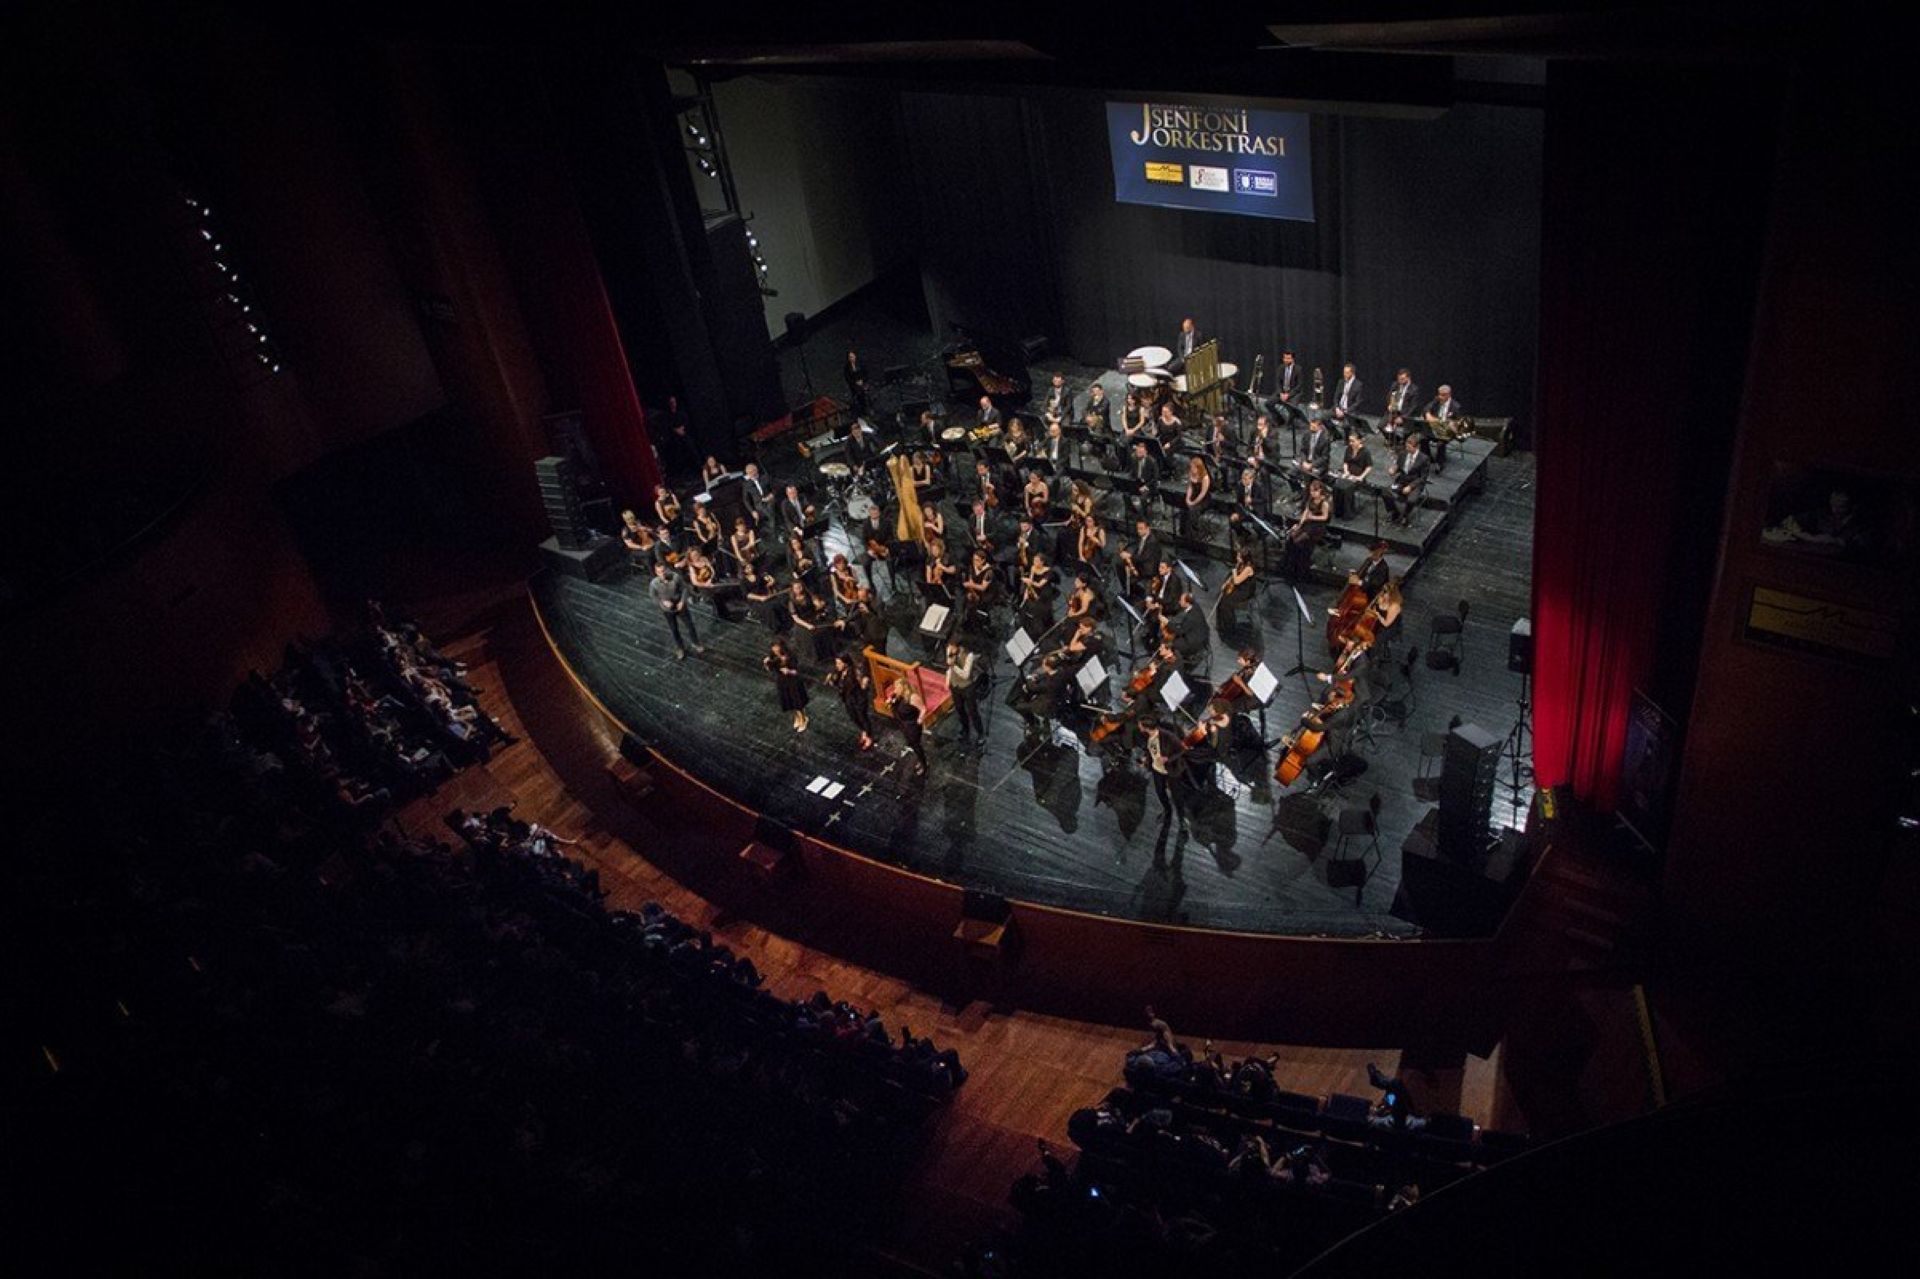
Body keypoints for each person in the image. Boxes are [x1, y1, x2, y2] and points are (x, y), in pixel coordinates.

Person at [649, 561, 702, 659]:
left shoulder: (675, 577)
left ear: (667, 569)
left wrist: (682, 602)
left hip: (680, 605)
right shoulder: (654, 584)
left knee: (690, 625)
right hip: (668, 610)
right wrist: (662, 602)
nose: (662, 573)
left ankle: (696, 643)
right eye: (660, 572)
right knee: (674, 629)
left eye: (664, 571)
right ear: (656, 572)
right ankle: (680, 648)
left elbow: (684, 589)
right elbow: (653, 597)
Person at [1142, 715, 1188, 823]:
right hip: (1157, 770)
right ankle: (1167, 811)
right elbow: (1151, 749)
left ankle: (1182, 819)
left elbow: (1182, 749)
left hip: (1171, 770)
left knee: (1176, 795)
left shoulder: (1167, 736)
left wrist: (1168, 758)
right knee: (1160, 792)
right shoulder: (1148, 736)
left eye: (1141, 725)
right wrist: (1147, 759)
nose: (1139, 727)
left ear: (1146, 727)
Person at [826, 653, 875, 751]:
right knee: (853, 717)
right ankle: (863, 731)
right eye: (836, 663)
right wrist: (832, 680)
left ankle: (869, 736)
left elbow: (863, 684)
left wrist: (864, 684)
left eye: (839, 663)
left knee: (862, 717)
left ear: (846, 663)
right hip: (848, 699)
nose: (837, 666)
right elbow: (838, 684)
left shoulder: (854, 672)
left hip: (858, 699)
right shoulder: (839, 672)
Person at [1285, 479, 1332, 580]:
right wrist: (1299, 524)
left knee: (1298, 541)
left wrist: (1312, 517)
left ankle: (1301, 565)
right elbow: (1306, 511)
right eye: (1311, 491)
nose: (1312, 493)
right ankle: (1291, 563)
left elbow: (1325, 517)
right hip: (1308, 523)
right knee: (1292, 537)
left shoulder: (1324, 503)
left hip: (1317, 527)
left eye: (1315, 491)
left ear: (1320, 491)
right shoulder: (1311, 499)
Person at [1383, 433, 1431, 526]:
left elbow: (1423, 477)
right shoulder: (1403, 454)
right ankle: (1394, 512)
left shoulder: (1424, 459)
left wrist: (1410, 486)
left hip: (1415, 484)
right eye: (1406, 447)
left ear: (1416, 447)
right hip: (1402, 481)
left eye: (1409, 447)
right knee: (1385, 492)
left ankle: (1405, 515)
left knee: (1411, 500)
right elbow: (1398, 466)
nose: (1407, 449)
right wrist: (1394, 470)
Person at [945, 638, 984, 748]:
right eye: (949, 646)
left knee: (972, 711)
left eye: (953, 646)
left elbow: (966, 675)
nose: (950, 649)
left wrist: (954, 666)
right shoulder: (949, 650)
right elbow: (949, 668)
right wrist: (948, 680)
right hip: (955, 685)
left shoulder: (968, 656)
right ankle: (965, 729)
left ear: (959, 647)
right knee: (959, 708)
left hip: (967, 686)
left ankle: (980, 733)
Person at [886, 677, 928, 773]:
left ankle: (924, 764)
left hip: (912, 725)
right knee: (911, 744)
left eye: (897, 688)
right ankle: (920, 760)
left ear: (904, 687)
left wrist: (920, 719)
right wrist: (891, 701)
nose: (895, 690)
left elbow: (923, 709)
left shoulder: (912, 697)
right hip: (903, 724)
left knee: (916, 745)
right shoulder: (898, 696)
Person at [764, 640, 808, 733]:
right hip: (782, 681)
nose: (775, 650)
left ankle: (803, 719)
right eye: (773, 648)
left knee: (797, 701)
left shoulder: (790, 656)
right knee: (789, 700)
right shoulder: (773, 657)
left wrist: (788, 671)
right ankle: (797, 717)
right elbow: (770, 668)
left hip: (793, 681)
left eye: (776, 647)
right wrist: (766, 663)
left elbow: (796, 671)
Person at [1334, 427, 1374, 518]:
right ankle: (1338, 511)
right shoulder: (1349, 449)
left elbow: (1369, 467)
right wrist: (1346, 471)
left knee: (1347, 488)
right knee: (1337, 486)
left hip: (1358, 476)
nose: (1350, 443)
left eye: (1353, 441)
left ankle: (1348, 513)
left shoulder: (1365, 452)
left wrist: (1361, 477)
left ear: (1359, 441)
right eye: (1350, 441)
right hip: (1348, 473)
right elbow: (1345, 462)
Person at [1384, 368, 1422, 437]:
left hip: (1405, 413)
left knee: (1404, 431)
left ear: (1408, 378)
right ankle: (1394, 441)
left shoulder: (1414, 389)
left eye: (1402, 379)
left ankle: (1400, 443)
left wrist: (1403, 417)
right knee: (1381, 426)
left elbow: (1413, 406)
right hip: (1394, 411)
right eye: (1398, 379)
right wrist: (1389, 404)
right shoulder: (1395, 385)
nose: (1400, 381)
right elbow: (1389, 396)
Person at [1181, 454, 1211, 541]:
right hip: (1194, 495)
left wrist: (1193, 503)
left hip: (1204, 499)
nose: (1192, 469)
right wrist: (1188, 498)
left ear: (1199, 468)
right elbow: (1190, 487)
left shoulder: (1205, 477)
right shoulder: (1191, 473)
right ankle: (1183, 532)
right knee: (1183, 508)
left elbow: (1202, 493)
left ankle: (1194, 535)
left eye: (1194, 467)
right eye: (1191, 467)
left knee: (1193, 510)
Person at [843, 347, 870, 416]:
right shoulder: (847, 367)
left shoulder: (860, 364)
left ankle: (867, 408)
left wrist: (862, 380)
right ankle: (861, 410)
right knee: (858, 394)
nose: (851, 358)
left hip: (863, 382)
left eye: (852, 356)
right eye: (850, 357)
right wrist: (855, 382)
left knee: (864, 392)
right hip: (854, 385)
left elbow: (865, 373)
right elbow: (848, 378)